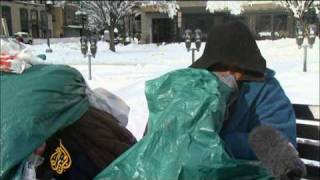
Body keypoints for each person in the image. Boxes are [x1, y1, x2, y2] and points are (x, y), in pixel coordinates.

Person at [190, 21, 297, 160]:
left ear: (248, 65)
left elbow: (282, 143)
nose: (228, 73)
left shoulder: (267, 90)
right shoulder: (196, 85)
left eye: (236, 67)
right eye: (220, 66)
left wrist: (219, 144)